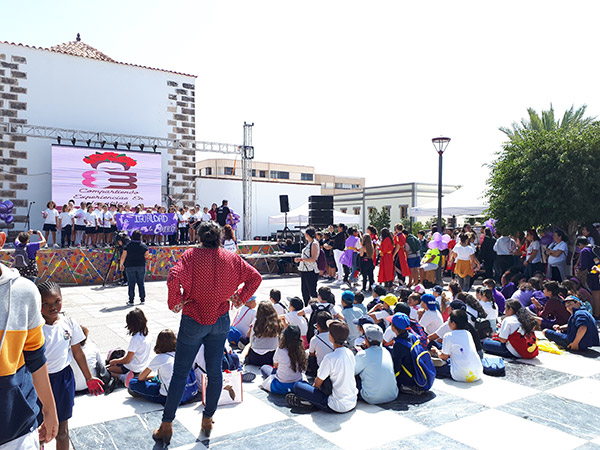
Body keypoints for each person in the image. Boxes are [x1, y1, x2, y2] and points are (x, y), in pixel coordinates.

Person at [154, 219, 262, 443]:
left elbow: (173, 276)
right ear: (219, 237)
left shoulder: (191, 256)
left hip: (194, 318)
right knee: (214, 372)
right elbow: (255, 277)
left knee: (180, 372)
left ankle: (166, 426)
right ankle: (207, 419)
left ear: (199, 236)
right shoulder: (231, 257)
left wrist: (176, 302)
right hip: (220, 319)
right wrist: (239, 298)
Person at [0, 242, 59, 449]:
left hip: (17, 429)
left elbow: (35, 356)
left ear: (1, 240)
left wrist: (49, 409)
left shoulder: (23, 291)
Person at [37, 281, 104, 450]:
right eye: (46, 303)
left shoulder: (69, 323)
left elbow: (78, 353)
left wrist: (89, 377)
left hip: (63, 380)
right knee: (39, 432)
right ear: (38, 303)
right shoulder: (34, 327)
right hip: (39, 381)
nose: (53, 307)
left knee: (62, 431)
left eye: (57, 301)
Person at [288, 320, 358, 413]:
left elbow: (317, 383)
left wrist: (311, 394)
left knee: (298, 386)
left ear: (331, 336)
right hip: (352, 401)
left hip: (335, 405)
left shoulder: (330, 358)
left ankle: (311, 402)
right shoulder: (350, 353)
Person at [128, 329, 197, 404]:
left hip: (169, 397)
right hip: (190, 393)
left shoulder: (160, 358)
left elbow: (141, 378)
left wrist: (148, 377)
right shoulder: (182, 354)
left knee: (133, 382)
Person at [431, 310, 483, 383]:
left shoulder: (448, 336)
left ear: (453, 323)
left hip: (460, 375)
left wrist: (436, 351)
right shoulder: (468, 333)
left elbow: (444, 357)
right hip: (477, 373)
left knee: (430, 367)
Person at [354, 324, 398, 404]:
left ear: (366, 340)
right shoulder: (386, 352)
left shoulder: (363, 354)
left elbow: (353, 372)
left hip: (371, 398)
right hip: (393, 394)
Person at [107, 308, 152, 385]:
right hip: (142, 365)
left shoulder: (135, 339)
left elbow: (127, 360)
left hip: (132, 367)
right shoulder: (148, 334)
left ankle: (123, 377)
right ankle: (127, 376)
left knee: (106, 370)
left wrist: (115, 361)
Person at [260, 325, 307, 395]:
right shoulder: (302, 350)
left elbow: (275, 365)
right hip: (297, 384)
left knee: (264, 368)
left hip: (281, 385)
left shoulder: (280, 350)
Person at [244, 301, 282, 366]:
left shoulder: (256, 322)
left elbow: (251, 340)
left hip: (255, 357)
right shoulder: (278, 322)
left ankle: (242, 358)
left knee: (245, 342)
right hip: (271, 357)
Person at [70, 326, 104, 392]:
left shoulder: (66, 352)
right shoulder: (92, 347)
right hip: (93, 383)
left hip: (74, 387)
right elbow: (101, 364)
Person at [120, 230, 149, 305]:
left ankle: (131, 300)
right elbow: (147, 255)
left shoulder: (127, 245)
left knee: (131, 284)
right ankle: (142, 299)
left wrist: (121, 265)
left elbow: (123, 256)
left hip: (130, 266)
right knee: (141, 283)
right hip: (141, 265)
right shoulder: (144, 246)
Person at [575, 237, 600, 318]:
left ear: (580, 244)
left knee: (595, 294)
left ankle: (597, 314)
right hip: (598, 272)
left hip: (593, 274)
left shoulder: (584, 251)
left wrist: (579, 271)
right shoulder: (594, 248)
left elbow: (583, 266)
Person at [295, 227, 320, 306]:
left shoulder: (314, 244)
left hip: (311, 270)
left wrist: (301, 259)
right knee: (304, 291)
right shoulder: (309, 243)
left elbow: (313, 258)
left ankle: (316, 306)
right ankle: (307, 306)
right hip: (304, 270)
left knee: (312, 290)